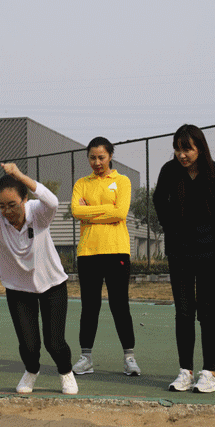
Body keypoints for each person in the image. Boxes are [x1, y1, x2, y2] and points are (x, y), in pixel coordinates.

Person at [0, 162, 78, 395]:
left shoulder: (38, 213)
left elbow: (52, 201)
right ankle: (31, 371)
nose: (7, 211)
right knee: (29, 345)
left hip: (52, 284)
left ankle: (65, 372)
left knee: (54, 342)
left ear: (25, 200)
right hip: (18, 289)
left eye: (12, 205)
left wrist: (20, 175)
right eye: (1, 205)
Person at [153, 124, 215, 393]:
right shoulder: (169, 171)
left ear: (199, 148)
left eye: (187, 149)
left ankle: (210, 373)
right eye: (177, 149)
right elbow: (158, 199)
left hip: (210, 252)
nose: (182, 155)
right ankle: (185, 371)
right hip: (179, 252)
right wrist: (170, 227)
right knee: (184, 312)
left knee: (207, 311)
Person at [71, 137, 140, 378]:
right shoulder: (81, 183)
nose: (97, 162)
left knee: (119, 305)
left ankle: (129, 358)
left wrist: (88, 212)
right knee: (89, 306)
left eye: (101, 157)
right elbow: (75, 210)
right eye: (92, 158)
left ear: (110, 156)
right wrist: (106, 211)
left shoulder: (122, 181)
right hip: (88, 252)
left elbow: (120, 212)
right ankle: (86, 358)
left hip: (116, 251)